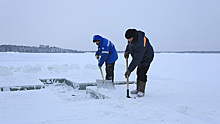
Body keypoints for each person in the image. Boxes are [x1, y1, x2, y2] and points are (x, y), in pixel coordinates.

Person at [124, 29, 154, 97]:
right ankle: (138, 88)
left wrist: (129, 70)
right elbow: (129, 45)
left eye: (129, 39)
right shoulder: (132, 38)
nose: (128, 40)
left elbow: (137, 59)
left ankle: (141, 90)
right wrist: (127, 51)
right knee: (138, 72)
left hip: (146, 58)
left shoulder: (141, 43)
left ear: (133, 37)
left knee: (142, 73)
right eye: (127, 39)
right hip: (139, 57)